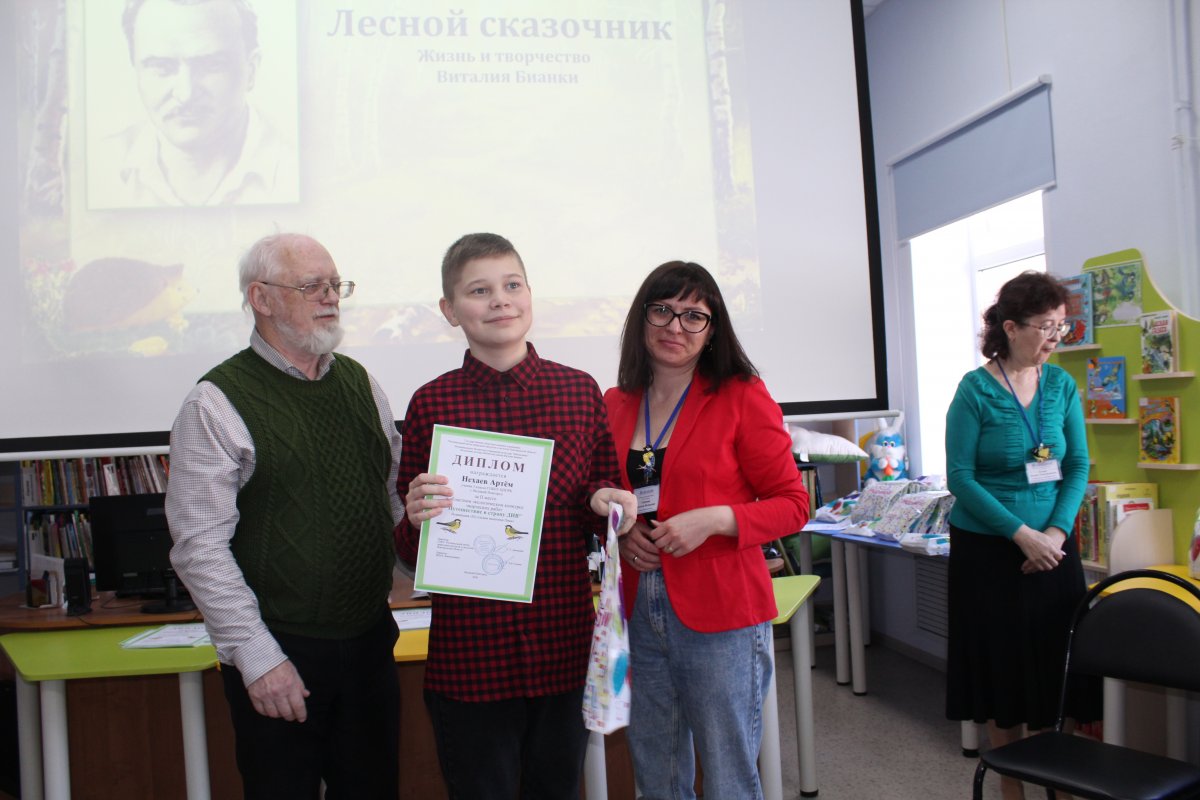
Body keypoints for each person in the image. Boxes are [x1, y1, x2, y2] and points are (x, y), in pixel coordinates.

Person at [396, 232, 638, 800]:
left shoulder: (578, 392)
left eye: (512, 285)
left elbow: (600, 500)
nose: (500, 300)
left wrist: (608, 504)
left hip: (562, 647)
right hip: (470, 658)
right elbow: (409, 549)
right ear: (450, 310)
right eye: (479, 290)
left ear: (530, 294)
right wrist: (415, 519)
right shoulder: (431, 403)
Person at [165, 233, 401, 799]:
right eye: (311, 286)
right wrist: (259, 659)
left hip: (370, 643)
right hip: (281, 649)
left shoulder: (361, 383)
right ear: (261, 299)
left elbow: (392, 499)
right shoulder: (216, 401)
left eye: (335, 284)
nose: (331, 297)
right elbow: (199, 547)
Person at [604, 261, 810, 800]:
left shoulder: (741, 395)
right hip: (637, 606)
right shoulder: (615, 402)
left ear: (713, 329)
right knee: (656, 773)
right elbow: (603, 494)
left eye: (693, 316)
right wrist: (623, 532)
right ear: (642, 318)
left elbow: (793, 505)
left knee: (728, 776)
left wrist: (718, 519)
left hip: (722, 612)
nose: (675, 327)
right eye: (662, 311)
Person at [944, 270, 1099, 800]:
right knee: (1002, 670)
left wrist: (1053, 533)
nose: (1055, 337)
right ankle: (1011, 785)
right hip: (990, 552)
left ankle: (1057, 782)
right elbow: (961, 478)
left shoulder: (1062, 385)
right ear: (1010, 328)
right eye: (1045, 326)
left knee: (1059, 665)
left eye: (1061, 326)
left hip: (1054, 550)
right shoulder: (974, 391)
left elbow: (1077, 465)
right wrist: (1020, 535)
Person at [94, 0, 298, 208]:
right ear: (136, 71)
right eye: (162, 67)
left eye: (211, 65)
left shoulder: (296, 168)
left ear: (251, 71)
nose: (186, 95)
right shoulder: (98, 165)